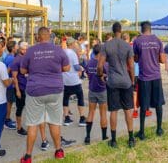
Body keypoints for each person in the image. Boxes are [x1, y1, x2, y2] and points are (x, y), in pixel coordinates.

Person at [19, 28, 73, 163]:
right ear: (49, 37)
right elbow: (67, 68)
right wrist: (54, 69)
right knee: (54, 122)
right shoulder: (58, 50)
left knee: (33, 124)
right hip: (55, 89)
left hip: (35, 90)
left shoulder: (30, 50)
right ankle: (59, 151)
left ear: (38, 37)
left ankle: (28, 157)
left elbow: (23, 70)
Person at [98, 22, 136, 148]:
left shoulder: (106, 45)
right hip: (125, 81)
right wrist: (132, 80)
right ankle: (131, 139)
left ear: (113, 31)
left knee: (113, 111)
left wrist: (100, 75)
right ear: (121, 30)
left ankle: (113, 140)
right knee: (127, 110)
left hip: (113, 81)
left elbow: (100, 65)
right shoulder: (127, 46)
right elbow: (131, 66)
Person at [132, 21, 166, 140]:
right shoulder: (157, 40)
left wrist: (142, 56)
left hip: (144, 77)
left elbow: (135, 59)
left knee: (143, 105)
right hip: (156, 76)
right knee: (158, 104)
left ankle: (142, 132)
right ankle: (159, 129)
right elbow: (162, 60)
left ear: (142, 29)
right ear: (150, 29)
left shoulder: (137, 41)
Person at [83, 39, 109, 145]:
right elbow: (107, 76)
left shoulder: (89, 62)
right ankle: (104, 136)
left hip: (92, 89)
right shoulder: (104, 63)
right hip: (102, 90)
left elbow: (88, 74)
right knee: (103, 114)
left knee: (91, 113)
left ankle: (88, 137)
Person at [62, 39, 86, 127]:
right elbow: (76, 67)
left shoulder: (63, 52)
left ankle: (66, 118)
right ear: (72, 44)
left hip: (64, 79)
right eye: (75, 44)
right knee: (80, 97)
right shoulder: (72, 53)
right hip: (74, 80)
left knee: (65, 99)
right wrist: (81, 68)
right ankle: (82, 118)